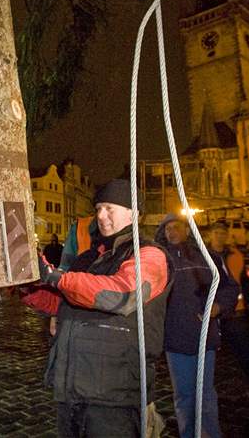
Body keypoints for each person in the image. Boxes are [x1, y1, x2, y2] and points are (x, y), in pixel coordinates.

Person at [21, 179, 170, 437]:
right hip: (72, 389)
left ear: (134, 213)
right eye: (98, 208)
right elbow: (63, 301)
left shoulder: (149, 254)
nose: (101, 215)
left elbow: (124, 293)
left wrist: (55, 277)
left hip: (116, 395)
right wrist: (27, 283)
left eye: (110, 208)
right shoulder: (87, 257)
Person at [156, 214, 239, 438]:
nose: (171, 232)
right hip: (174, 338)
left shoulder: (206, 256)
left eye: (176, 227)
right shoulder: (159, 260)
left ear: (187, 230)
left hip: (204, 336)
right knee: (183, 395)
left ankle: (210, 434)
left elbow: (229, 287)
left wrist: (218, 307)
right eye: (167, 228)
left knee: (205, 394)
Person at [209, 220, 249, 407]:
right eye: (217, 232)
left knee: (247, 354)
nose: (220, 236)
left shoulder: (236, 255)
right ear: (211, 234)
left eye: (223, 233)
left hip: (236, 313)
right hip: (212, 314)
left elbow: (245, 281)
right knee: (211, 357)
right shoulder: (203, 255)